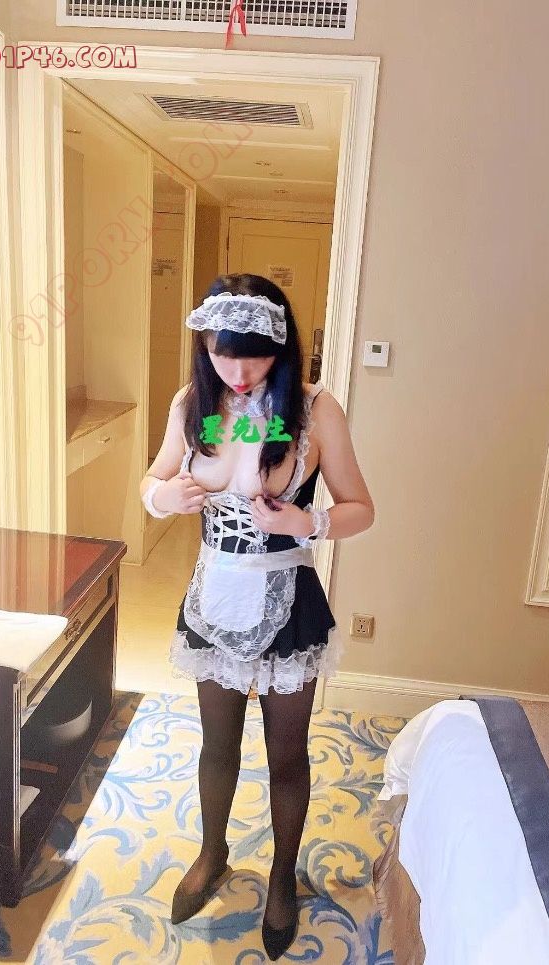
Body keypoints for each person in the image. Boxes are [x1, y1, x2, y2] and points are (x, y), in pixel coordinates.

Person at [139, 273, 374, 960]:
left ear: (282, 346)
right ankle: (212, 853)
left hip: (288, 600)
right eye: (222, 352)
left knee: (287, 753)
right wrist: (163, 499)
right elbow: (153, 477)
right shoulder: (193, 402)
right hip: (212, 596)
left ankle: (280, 877)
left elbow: (362, 507)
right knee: (216, 743)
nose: (238, 371)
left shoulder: (315, 410)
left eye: (255, 355)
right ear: (205, 346)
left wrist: (310, 520)